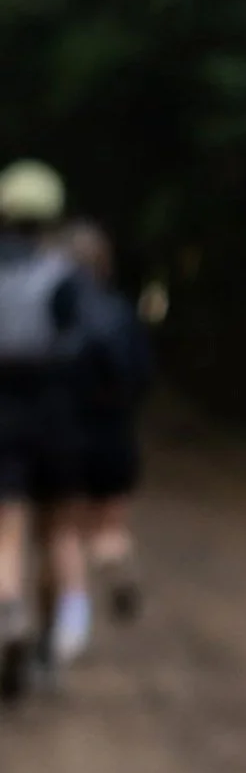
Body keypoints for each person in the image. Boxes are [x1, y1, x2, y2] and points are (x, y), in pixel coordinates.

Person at [0, 160, 91, 703]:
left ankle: (8, 610)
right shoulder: (64, 277)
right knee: (57, 533)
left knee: (6, 531)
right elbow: (84, 347)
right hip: (54, 417)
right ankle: (45, 649)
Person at [59, 219, 155, 625]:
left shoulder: (58, 313)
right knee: (110, 526)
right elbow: (143, 377)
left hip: (67, 436)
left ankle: (73, 618)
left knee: (66, 530)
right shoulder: (122, 312)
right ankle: (117, 562)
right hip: (116, 436)